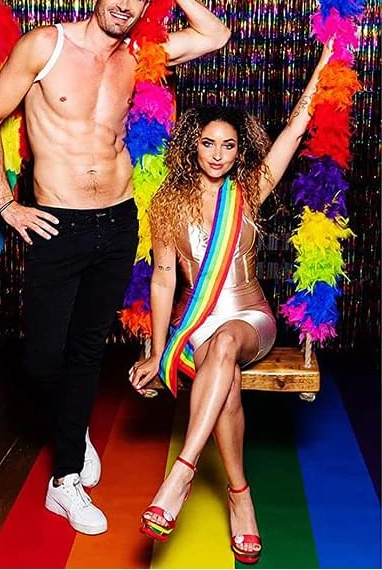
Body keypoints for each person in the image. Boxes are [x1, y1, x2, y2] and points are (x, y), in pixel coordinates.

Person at [0, 0, 230, 536]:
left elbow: (215, 35)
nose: (124, 4)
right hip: (56, 222)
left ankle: (64, 480)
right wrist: (7, 203)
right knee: (43, 358)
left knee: (89, 348)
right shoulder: (46, 45)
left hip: (117, 221)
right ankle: (74, 426)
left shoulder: (140, 56)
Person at [129, 44, 332, 562]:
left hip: (250, 319)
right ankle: (241, 496)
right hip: (196, 326)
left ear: (240, 151)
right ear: (192, 147)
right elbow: (163, 280)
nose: (217, 154)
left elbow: (294, 129)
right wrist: (158, 350)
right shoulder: (166, 202)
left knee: (225, 345)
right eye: (207, 143)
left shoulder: (250, 190)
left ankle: (182, 473)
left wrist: (324, 65)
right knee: (226, 384)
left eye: (228, 145)